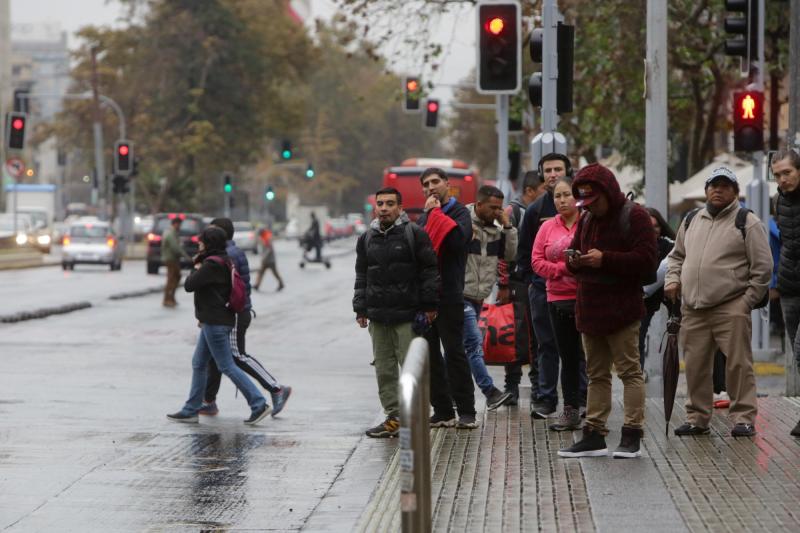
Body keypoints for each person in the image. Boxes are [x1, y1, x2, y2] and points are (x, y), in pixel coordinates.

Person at [557, 163, 657, 459]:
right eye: (584, 202)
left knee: (629, 372)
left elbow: (647, 262)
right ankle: (594, 435)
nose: (589, 207)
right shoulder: (587, 218)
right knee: (596, 374)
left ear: (609, 192)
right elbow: (575, 254)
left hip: (622, 309)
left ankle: (632, 434)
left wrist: (606, 259)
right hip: (590, 309)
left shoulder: (635, 216)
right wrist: (574, 261)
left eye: (594, 200)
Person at [665, 166, 772, 438]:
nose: (718, 190)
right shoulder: (691, 219)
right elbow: (676, 257)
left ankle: (744, 418)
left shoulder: (747, 221)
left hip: (731, 305)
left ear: (735, 192)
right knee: (696, 366)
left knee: (738, 365)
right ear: (706, 190)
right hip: (694, 308)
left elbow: (763, 268)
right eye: (713, 186)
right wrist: (673, 279)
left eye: (725, 186)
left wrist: (746, 302)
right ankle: (697, 419)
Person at [353, 187, 439, 437]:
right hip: (378, 317)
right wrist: (360, 308)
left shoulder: (414, 234)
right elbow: (361, 275)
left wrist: (429, 306)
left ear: (400, 208)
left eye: (390, 204)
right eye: (380, 204)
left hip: (407, 315)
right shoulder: (366, 238)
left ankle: (415, 416)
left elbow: (430, 271)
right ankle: (394, 417)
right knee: (384, 369)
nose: (384, 208)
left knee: (411, 368)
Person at [167, 226, 270, 425]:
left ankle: (258, 404)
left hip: (215, 322)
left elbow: (189, 285)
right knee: (199, 363)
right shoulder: (224, 260)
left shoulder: (211, 264)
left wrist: (196, 266)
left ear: (209, 243)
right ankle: (191, 409)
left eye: (201, 241)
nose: (198, 244)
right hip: (214, 320)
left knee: (226, 365)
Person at [198, 218, 292, 418]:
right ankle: (208, 400)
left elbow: (221, 290)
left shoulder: (227, 255)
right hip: (230, 313)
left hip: (232, 314)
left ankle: (276, 389)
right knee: (215, 357)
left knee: (237, 356)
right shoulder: (230, 252)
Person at [518, 153, 587, 419]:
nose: (553, 174)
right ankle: (546, 399)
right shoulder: (535, 211)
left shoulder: (586, 216)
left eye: (558, 169)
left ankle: (581, 399)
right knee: (546, 346)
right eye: (547, 170)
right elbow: (527, 256)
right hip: (543, 291)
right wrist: (538, 281)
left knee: (579, 349)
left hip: (580, 294)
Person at [417, 167, 478, 429]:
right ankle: (442, 410)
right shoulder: (424, 217)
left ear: (446, 183)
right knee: (429, 356)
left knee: (454, 353)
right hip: (426, 297)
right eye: (426, 184)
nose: (431, 187)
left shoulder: (460, 213)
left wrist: (435, 214)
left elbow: (457, 243)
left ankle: (466, 411)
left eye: (435, 182)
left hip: (450, 294)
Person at [462, 185, 517, 410]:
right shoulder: (463, 221)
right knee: (474, 344)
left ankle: (443, 391)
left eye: (499, 208)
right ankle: (490, 392)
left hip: (479, 298)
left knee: (459, 350)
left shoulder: (496, 229)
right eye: (493, 208)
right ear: (479, 204)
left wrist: (508, 227)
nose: (497, 212)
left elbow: (510, 255)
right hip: (460, 295)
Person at [502, 170, 545, 405]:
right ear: (530, 191)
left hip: (537, 281)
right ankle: (511, 386)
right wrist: (503, 283)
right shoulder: (514, 211)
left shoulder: (543, 211)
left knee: (537, 335)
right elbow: (501, 249)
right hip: (516, 282)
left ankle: (539, 386)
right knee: (515, 334)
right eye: (542, 190)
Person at [770, 149, 800, 437]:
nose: (782, 179)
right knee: (797, 353)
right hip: (790, 286)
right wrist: (775, 282)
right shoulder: (778, 201)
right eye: (777, 175)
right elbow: (782, 243)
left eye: (787, 172)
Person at [639, 208, 676, 377]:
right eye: (648, 225)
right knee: (637, 339)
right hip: (642, 300)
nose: (653, 229)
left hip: (667, 295)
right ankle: (637, 376)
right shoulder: (635, 245)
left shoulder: (669, 245)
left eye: (656, 226)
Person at [162, 217, 190, 307]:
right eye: (179, 224)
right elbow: (175, 247)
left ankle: (171, 297)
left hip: (173, 259)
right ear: (175, 224)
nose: (180, 227)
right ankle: (167, 299)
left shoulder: (172, 232)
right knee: (171, 278)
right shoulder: (170, 233)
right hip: (170, 259)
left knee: (176, 277)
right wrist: (186, 257)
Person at [254, 227, 285, 291]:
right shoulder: (264, 237)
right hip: (268, 259)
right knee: (261, 272)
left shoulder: (267, 238)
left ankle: (281, 283)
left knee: (273, 273)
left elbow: (269, 249)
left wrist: (264, 258)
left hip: (269, 260)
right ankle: (257, 285)